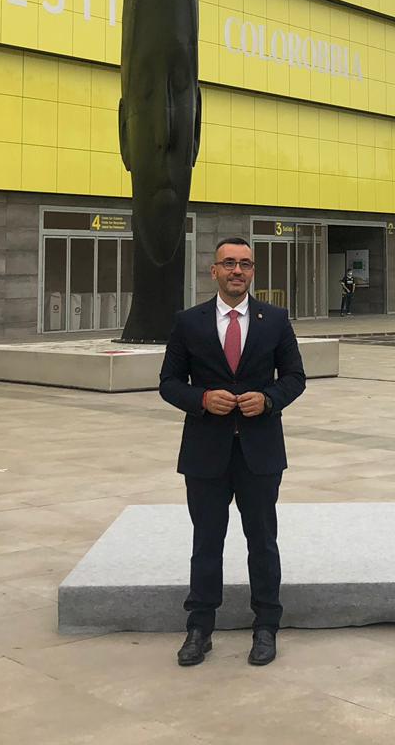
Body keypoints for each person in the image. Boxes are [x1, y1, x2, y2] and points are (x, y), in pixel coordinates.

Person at [160, 237, 307, 667]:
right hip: (206, 452)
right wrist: (201, 399)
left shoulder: (274, 320)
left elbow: (295, 376)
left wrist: (269, 399)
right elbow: (169, 383)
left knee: (262, 541)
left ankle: (266, 627)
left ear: (253, 271)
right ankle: (199, 629)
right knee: (206, 542)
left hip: (260, 452)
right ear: (214, 271)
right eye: (228, 263)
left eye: (244, 264)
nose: (236, 271)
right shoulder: (189, 322)